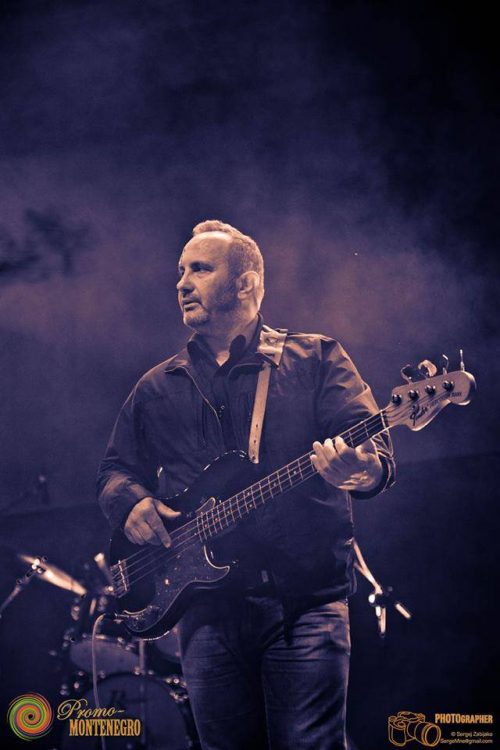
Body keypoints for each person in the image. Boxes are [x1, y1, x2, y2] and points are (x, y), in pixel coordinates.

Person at [97, 220, 395, 750]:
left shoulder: (316, 358)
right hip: (204, 614)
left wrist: (361, 470)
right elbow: (114, 471)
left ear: (246, 284)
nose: (182, 283)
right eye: (181, 271)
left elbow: (375, 455)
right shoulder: (157, 385)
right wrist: (131, 503)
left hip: (303, 603)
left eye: (200, 269)